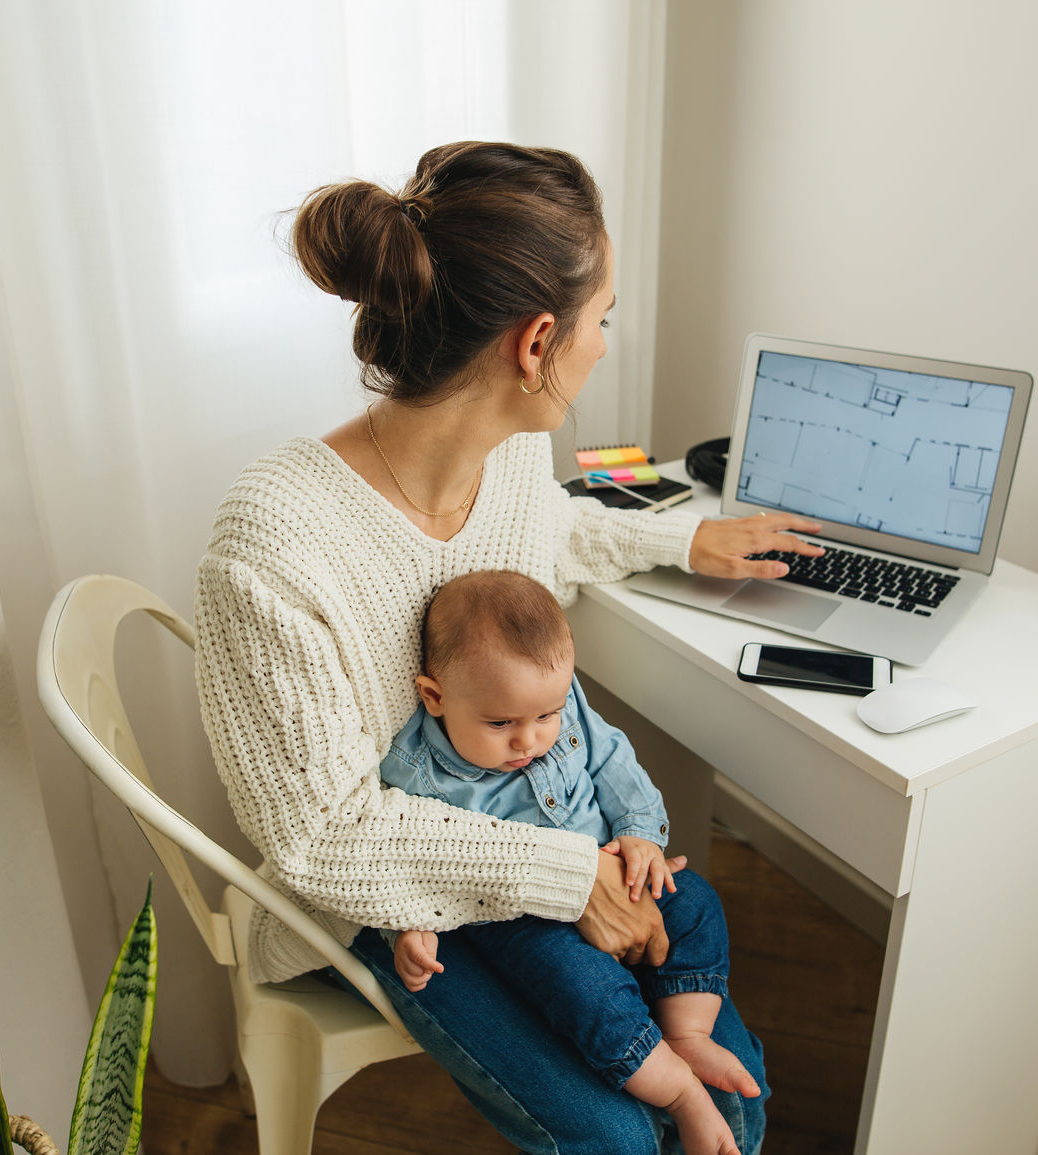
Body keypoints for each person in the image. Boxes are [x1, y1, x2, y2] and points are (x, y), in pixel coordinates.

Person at [195, 140, 824, 1155]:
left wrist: (684, 537)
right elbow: (321, 840)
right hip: (379, 901)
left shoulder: (516, 461)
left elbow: (547, 540)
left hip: (535, 843)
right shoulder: (273, 541)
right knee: (622, 1139)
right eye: (602, 319)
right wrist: (570, 878)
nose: (605, 345)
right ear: (536, 344)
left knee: (735, 1101)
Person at [380, 569, 761, 1155]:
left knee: (698, 902)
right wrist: (410, 926)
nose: (529, 742)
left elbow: (613, 761)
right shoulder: (414, 771)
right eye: (501, 723)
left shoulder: (561, 706)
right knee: (583, 986)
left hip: (614, 870)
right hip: (520, 918)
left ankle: (688, 1033)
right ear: (435, 696)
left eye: (546, 717)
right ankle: (678, 1090)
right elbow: (408, 856)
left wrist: (640, 836)